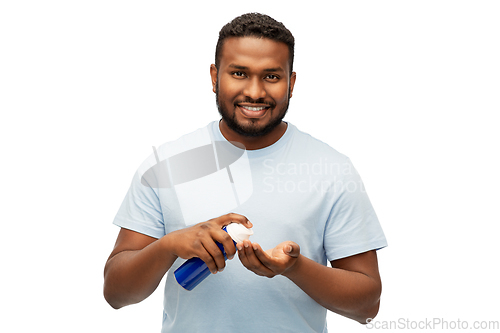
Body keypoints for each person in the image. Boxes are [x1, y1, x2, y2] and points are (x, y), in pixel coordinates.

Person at [104, 13, 387, 333]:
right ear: (214, 77)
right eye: (239, 73)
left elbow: (367, 307)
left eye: (271, 76)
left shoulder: (331, 170)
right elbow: (116, 293)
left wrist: (294, 268)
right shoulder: (169, 164)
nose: (254, 92)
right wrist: (169, 245)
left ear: (291, 83)